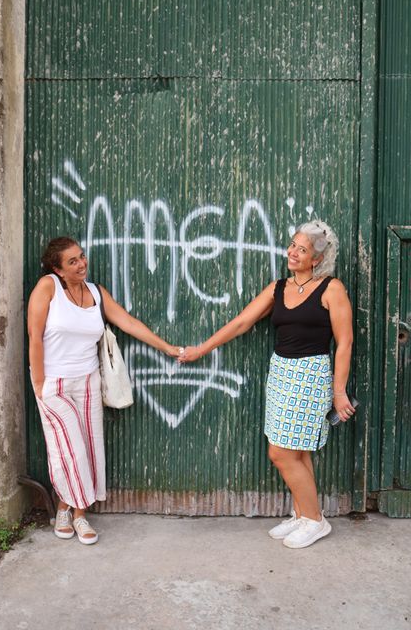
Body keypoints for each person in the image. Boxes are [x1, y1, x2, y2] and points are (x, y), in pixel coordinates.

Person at [179, 220, 354, 549]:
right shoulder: (278, 288)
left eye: (302, 249)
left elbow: (344, 344)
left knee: (281, 453)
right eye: (292, 245)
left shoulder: (332, 289)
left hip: (310, 374)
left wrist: (339, 390)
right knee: (295, 451)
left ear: (317, 258)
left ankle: (315, 520)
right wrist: (202, 349)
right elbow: (243, 321)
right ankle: (304, 514)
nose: (292, 252)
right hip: (280, 373)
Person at [28, 237, 181, 545]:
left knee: (89, 445)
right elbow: (35, 337)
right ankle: (70, 509)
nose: (81, 263)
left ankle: (75, 511)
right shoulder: (48, 288)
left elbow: (127, 322)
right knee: (69, 448)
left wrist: (167, 347)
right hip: (53, 382)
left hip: (88, 380)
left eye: (81, 257)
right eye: (72, 261)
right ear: (57, 269)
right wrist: (40, 384)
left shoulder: (97, 293)